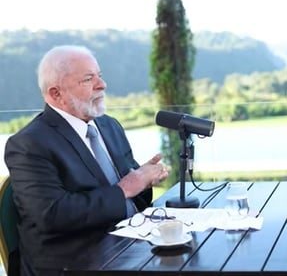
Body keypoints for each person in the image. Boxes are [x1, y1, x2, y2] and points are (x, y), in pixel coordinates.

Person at [4, 45, 169, 276]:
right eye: (88, 79)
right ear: (56, 94)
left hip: (129, 243)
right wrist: (126, 187)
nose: (102, 85)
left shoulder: (109, 125)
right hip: (72, 262)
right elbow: (51, 215)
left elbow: (131, 196)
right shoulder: (28, 144)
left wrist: (144, 179)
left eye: (99, 76)